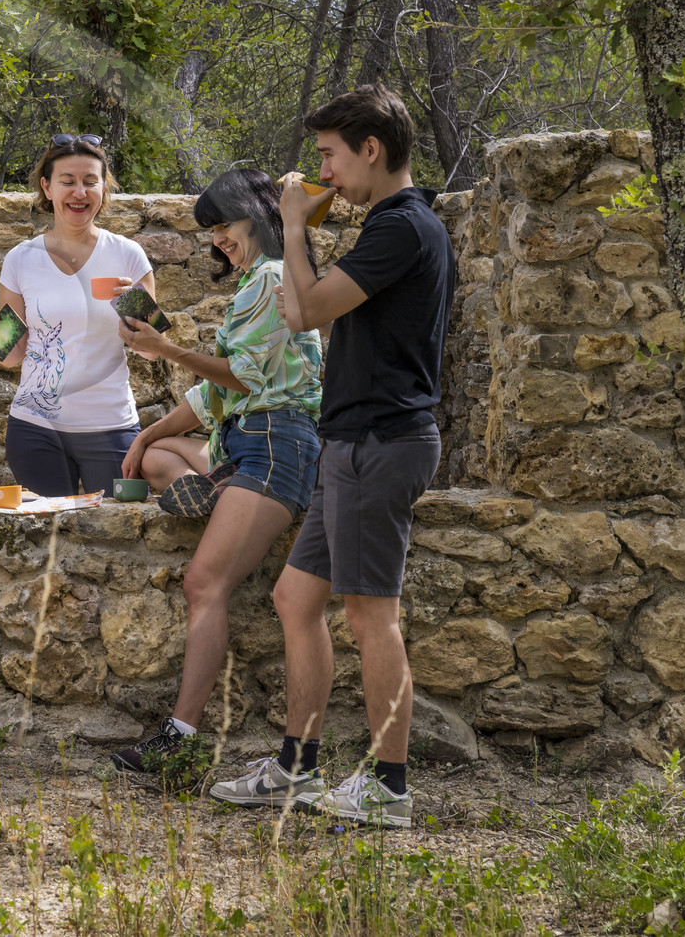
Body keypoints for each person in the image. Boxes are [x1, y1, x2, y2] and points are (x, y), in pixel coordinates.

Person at [208, 85, 454, 829]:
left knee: (372, 614)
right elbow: (296, 309)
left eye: (329, 156)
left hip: (382, 441)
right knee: (295, 597)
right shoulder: (387, 225)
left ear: (370, 149)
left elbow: (309, 308)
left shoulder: (403, 226)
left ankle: (388, 785)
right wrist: (297, 233)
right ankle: (298, 769)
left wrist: (290, 223)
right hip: (347, 443)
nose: (322, 173)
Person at [106, 168, 323, 773]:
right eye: (211, 230)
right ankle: (214, 486)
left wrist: (165, 349)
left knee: (204, 584)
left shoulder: (272, 277)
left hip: (275, 442)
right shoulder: (258, 279)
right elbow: (215, 396)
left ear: (258, 215)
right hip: (248, 439)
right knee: (155, 457)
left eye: (223, 224)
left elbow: (243, 380)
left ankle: (180, 739)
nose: (217, 239)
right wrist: (147, 433)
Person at [0, 134, 159, 495]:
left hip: (111, 426)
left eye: (90, 181)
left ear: (103, 187)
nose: (79, 192)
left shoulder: (128, 255)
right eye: (67, 181)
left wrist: (133, 304)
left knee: (115, 525)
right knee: (48, 528)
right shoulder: (21, 259)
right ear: (47, 187)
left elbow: (153, 349)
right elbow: (13, 355)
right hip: (36, 428)